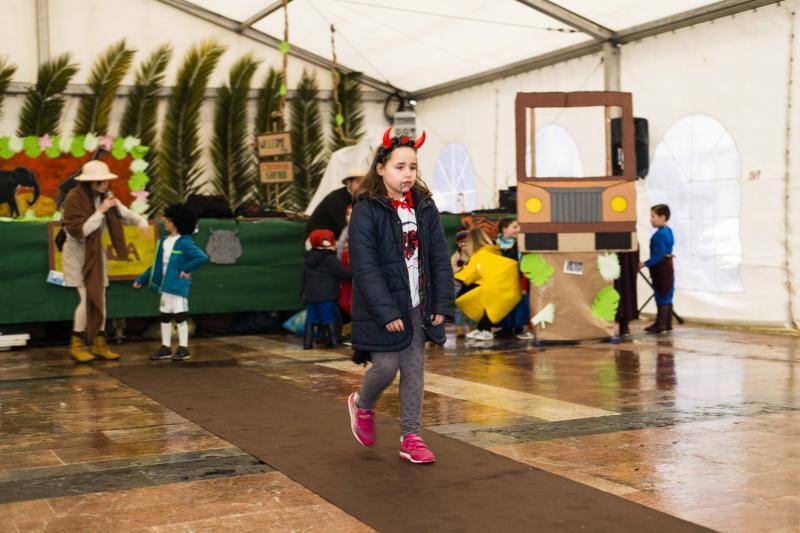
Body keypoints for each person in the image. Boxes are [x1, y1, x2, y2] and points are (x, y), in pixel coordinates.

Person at [346, 127, 454, 464]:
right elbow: (364, 266)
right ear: (380, 169)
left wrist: (440, 303)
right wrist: (387, 311)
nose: (407, 174)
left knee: (414, 369)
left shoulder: (424, 206)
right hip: (384, 307)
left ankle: (412, 436)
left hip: (419, 303)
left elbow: (438, 255)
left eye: (412, 167)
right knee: (385, 366)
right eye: (399, 167)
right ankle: (362, 404)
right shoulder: (366, 209)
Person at [62, 160, 149, 363]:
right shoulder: (74, 199)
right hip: (78, 255)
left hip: (96, 256)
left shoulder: (105, 197)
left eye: (106, 181)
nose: (105, 185)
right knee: (86, 299)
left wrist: (141, 221)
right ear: (89, 183)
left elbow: (123, 212)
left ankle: (98, 343)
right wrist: (100, 211)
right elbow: (80, 232)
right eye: (100, 182)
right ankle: (76, 343)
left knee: (100, 297)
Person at [134, 204, 208, 361]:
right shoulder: (163, 242)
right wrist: (142, 279)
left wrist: (186, 269)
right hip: (165, 288)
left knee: (180, 317)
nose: (165, 223)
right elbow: (155, 265)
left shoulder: (185, 242)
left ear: (176, 223)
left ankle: (183, 348)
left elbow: (201, 257)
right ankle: (165, 348)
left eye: (167, 220)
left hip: (178, 287)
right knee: (165, 316)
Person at [302, 228, 352, 349]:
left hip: (310, 296)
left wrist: (303, 292)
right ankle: (333, 341)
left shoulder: (308, 257)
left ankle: (307, 344)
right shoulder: (329, 258)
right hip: (327, 296)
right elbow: (343, 273)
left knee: (311, 319)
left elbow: (303, 277)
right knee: (329, 317)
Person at [639, 204, 675, 334]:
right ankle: (668, 324)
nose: (651, 219)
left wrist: (644, 264)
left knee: (661, 294)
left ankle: (661, 326)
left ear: (662, 217)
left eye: (653, 216)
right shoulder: (669, 231)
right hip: (668, 267)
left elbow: (659, 255)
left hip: (661, 269)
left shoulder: (659, 235)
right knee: (668, 294)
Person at [305, 169, 366, 238]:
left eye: (365, 182)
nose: (362, 185)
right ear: (349, 183)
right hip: (318, 239)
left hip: (338, 239)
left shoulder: (362, 198)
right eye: (358, 182)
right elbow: (346, 227)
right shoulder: (337, 198)